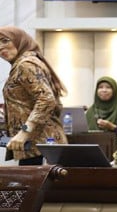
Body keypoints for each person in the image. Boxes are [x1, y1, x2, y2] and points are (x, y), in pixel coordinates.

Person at [0, 27, 67, 165]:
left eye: (5, 41)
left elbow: (46, 99)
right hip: (36, 145)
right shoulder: (23, 64)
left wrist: (24, 132)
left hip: (42, 145)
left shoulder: (25, 64)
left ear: (20, 40)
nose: (1, 47)